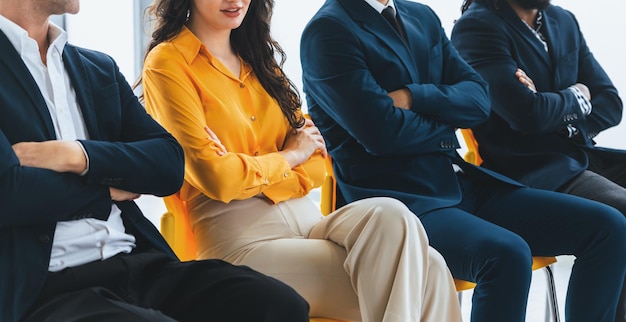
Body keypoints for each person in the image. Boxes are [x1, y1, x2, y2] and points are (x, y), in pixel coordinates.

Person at [300, 0, 626, 321]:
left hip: (460, 180)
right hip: (400, 201)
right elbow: (382, 135)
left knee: (609, 227)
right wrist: (448, 119)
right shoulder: (328, 30)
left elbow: (478, 100)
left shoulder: (420, 15)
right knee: (507, 253)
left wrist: (414, 97)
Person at [139, 0, 463, 321]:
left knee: (393, 215)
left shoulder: (260, 60)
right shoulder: (168, 63)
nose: (234, 0)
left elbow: (318, 163)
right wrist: (290, 155)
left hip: (309, 224)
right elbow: (217, 179)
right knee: (428, 272)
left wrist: (250, 169)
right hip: (241, 243)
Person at [0, 0, 312, 321]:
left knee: (277, 304)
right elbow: (9, 192)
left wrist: (79, 155)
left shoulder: (95, 68)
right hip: (45, 284)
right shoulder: (167, 61)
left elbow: (168, 165)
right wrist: (107, 190)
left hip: (138, 263)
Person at [450, 0, 626, 320]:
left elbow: (611, 102)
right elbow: (526, 116)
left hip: (577, 153)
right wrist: (576, 95)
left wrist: (559, 115)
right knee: (620, 209)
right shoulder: (478, 27)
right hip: (526, 170)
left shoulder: (562, 20)